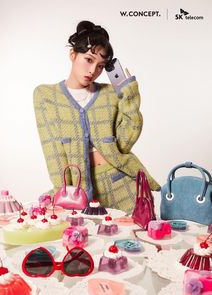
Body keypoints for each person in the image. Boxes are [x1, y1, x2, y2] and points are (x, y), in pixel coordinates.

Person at [33, 20, 160, 214]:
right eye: (89, 60)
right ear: (72, 54)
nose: (93, 71)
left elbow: (124, 144)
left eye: (101, 66)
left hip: (121, 183)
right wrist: (63, 191)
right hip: (78, 191)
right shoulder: (46, 96)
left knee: (137, 239)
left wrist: (129, 96)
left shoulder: (110, 94)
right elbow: (53, 153)